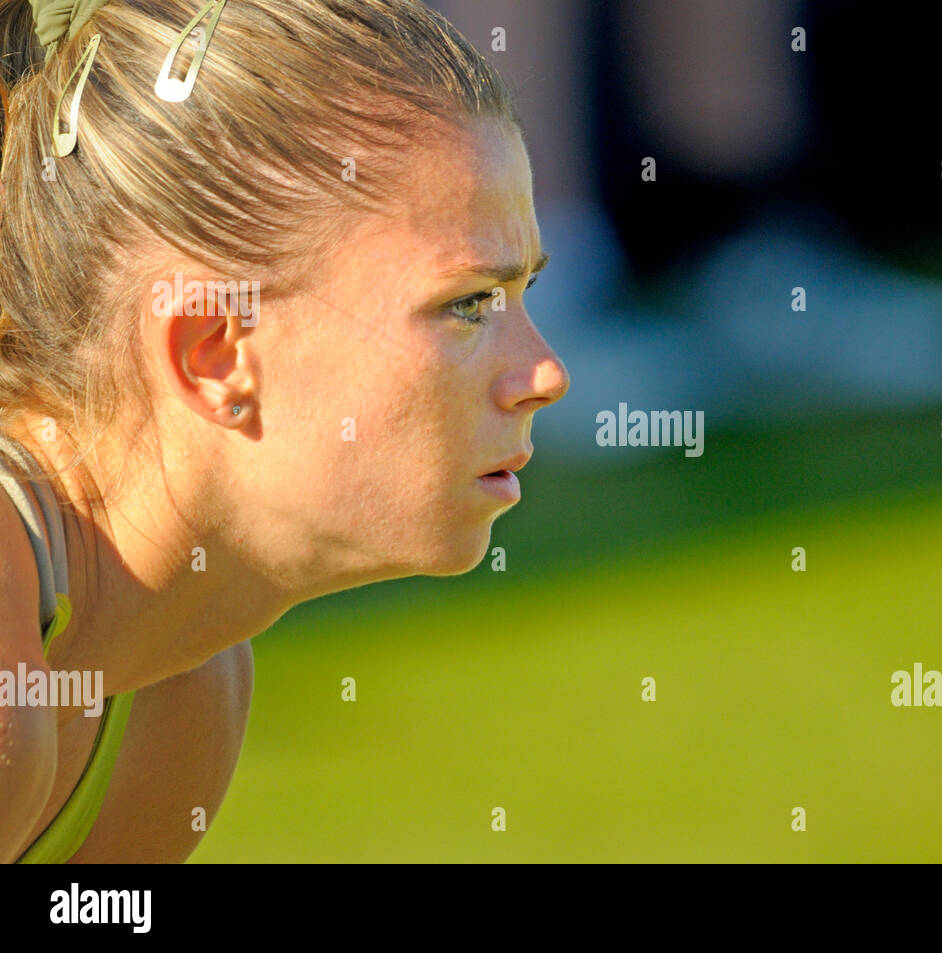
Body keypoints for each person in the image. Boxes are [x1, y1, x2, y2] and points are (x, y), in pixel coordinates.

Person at [0, 0, 567, 863]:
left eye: (523, 292)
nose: (547, 374)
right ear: (214, 353)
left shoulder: (183, 689)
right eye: (466, 304)